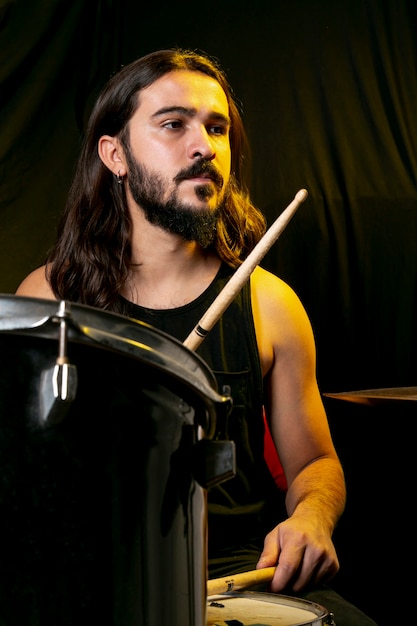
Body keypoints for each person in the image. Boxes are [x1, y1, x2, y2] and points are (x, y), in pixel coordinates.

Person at [15, 48, 376, 625]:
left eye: (217, 128)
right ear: (115, 155)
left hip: (239, 575)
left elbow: (315, 463)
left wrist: (311, 517)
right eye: (173, 124)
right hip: (96, 573)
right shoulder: (49, 299)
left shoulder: (271, 304)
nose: (204, 146)